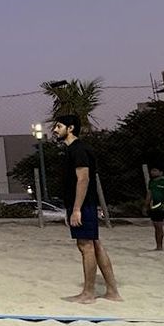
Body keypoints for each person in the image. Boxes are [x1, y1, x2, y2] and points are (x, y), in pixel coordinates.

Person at [52, 115, 120, 303]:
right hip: (83, 204)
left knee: (86, 246)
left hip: (84, 204)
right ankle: (112, 292)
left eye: (59, 126)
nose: (55, 130)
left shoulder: (79, 149)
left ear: (71, 128)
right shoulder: (73, 150)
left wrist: (76, 209)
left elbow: (83, 179)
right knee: (95, 244)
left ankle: (88, 293)